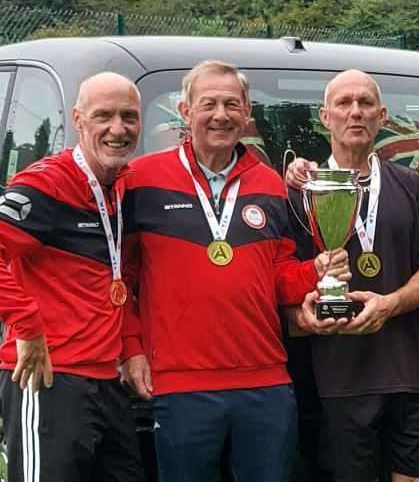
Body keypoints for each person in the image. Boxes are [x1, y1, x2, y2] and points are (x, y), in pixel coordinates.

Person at [119, 59, 349, 482]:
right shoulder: (142, 179)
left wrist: (317, 271)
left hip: (265, 385)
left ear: (247, 114)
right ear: (186, 112)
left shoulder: (269, 183)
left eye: (231, 105)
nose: (221, 115)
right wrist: (132, 349)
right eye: (208, 104)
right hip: (180, 385)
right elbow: (123, 278)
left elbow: (279, 278)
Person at [286, 69, 419, 482]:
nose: (355, 112)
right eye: (344, 103)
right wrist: (299, 317)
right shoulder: (299, 190)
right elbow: (281, 274)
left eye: (365, 104)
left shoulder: (413, 186)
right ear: (325, 116)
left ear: (381, 116)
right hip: (338, 377)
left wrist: (390, 305)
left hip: (408, 372)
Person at [0, 72, 144, 482]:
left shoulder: (122, 187)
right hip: (48, 379)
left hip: (107, 381)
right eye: (103, 116)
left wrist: (129, 345)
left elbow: (116, 279)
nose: (118, 129)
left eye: (129, 116)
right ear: (78, 119)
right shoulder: (49, 184)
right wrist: (27, 325)